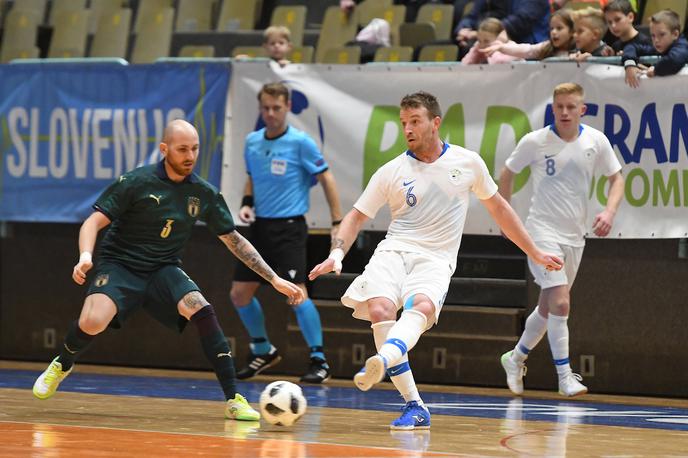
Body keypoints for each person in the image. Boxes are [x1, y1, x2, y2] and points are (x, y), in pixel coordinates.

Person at [309, 91, 563, 429]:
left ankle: (384, 359)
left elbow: (500, 209)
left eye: (415, 121)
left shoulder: (467, 163)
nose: (408, 129)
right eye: (403, 124)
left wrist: (533, 251)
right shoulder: (392, 170)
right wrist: (337, 253)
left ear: (435, 123)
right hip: (394, 251)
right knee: (380, 309)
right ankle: (414, 405)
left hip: (435, 258)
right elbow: (356, 216)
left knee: (423, 307)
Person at [32, 120, 305, 421]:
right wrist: (85, 256)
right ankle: (63, 363)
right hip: (120, 265)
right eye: (182, 149)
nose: (190, 155)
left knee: (202, 310)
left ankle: (234, 399)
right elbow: (93, 221)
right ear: (164, 150)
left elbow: (234, 240)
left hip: (163, 269)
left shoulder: (202, 193)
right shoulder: (137, 181)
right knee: (93, 321)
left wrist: (274, 278)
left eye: (195, 148)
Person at [498, 83, 625, 398]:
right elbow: (507, 173)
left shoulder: (596, 140)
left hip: (575, 237)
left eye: (571, 107)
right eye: (559, 107)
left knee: (547, 307)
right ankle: (565, 376)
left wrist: (609, 212)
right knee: (561, 302)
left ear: (582, 109)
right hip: (541, 233)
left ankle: (515, 359)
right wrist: (505, 216)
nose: (565, 112)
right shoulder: (536, 141)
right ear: (552, 109)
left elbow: (617, 178)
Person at [230, 82, 343, 384]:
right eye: (265, 108)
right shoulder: (252, 142)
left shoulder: (300, 142)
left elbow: (327, 177)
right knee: (239, 294)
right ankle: (262, 349)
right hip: (260, 228)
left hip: (290, 228)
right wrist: (246, 202)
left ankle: (319, 359)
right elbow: (252, 177)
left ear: (288, 107)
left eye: (276, 108)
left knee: (296, 293)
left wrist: (336, 222)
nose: (270, 113)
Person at [622, 9, 688, 88]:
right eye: (653, 35)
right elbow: (632, 46)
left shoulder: (682, 45)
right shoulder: (660, 47)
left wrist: (656, 69)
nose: (656, 40)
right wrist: (630, 64)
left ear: (675, 34)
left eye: (662, 34)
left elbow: (675, 59)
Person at [481, 9, 575, 60]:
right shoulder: (546, 47)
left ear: (572, 31)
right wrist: (501, 47)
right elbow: (526, 50)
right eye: (551, 28)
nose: (554, 32)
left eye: (559, 28)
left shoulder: (578, 51)